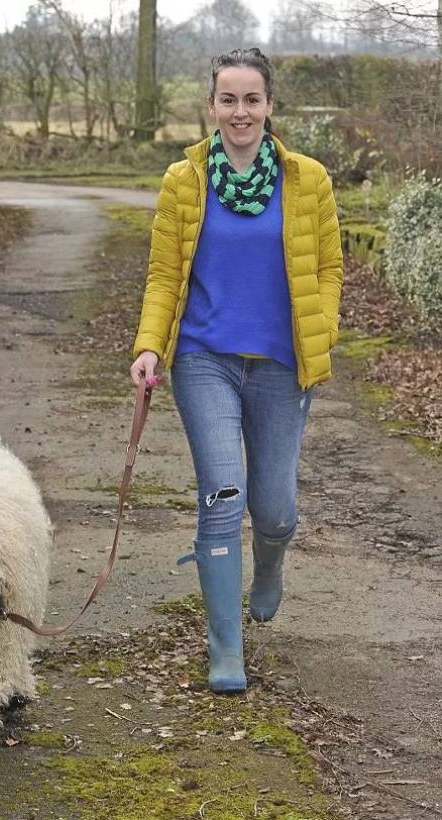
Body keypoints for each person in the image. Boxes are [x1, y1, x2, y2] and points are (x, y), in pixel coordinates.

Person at [130, 48, 343, 694]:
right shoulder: (184, 182)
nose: (240, 111)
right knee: (224, 495)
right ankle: (226, 648)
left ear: (270, 106)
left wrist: (323, 329)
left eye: (252, 99)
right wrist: (149, 346)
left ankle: (270, 567)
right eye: (229, 99)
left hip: (282, 365)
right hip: (204, 361)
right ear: (212, 105)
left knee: (274, 510)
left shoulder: (309, 181)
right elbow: (167, 276)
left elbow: (331, 269)